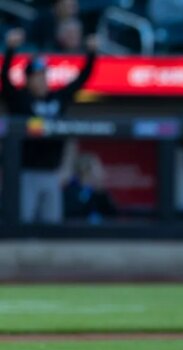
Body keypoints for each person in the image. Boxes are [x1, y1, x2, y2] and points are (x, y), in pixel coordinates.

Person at [2, 28, 98, 224]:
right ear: (28, 79)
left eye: (44, 75)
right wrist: (10, 49)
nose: (42, 79)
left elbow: (81, 80)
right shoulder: (21, 99)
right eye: (37, 76)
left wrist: (91, 54)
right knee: (23, 222)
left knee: (52, 225)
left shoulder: (57, 98)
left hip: (52, 173)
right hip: (25, 172)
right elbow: (4, 80)